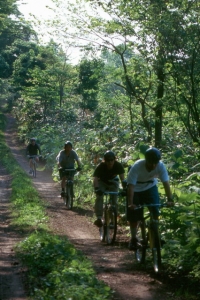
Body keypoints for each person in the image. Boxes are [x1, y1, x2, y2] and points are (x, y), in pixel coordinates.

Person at [126, 147, 174, 250]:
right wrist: (131, 203)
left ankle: (154, 234)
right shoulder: (137, 166)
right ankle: (133, 239)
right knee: (134, 215)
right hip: (136, 189)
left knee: (155, 211)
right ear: (146, 160)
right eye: (151, 162)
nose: (153, 165)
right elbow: (131, 187)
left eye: (155, 163)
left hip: (150, 187)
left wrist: (170, 199)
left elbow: (166, 183)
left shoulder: (160, 166)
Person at [93, 150, 125, 227]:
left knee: (114, 200)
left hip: (114, 181)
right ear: (105, 160)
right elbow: (95, 178)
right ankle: (99, 218)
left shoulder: (118, 165)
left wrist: (125, 189)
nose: (110, 162)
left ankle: (112, 220)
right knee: (99, 197)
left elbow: (122, 179)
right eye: (108, 160)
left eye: (112, 160)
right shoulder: (101, 166)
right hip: (102, 182)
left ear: (114, 159)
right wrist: (97, 189)